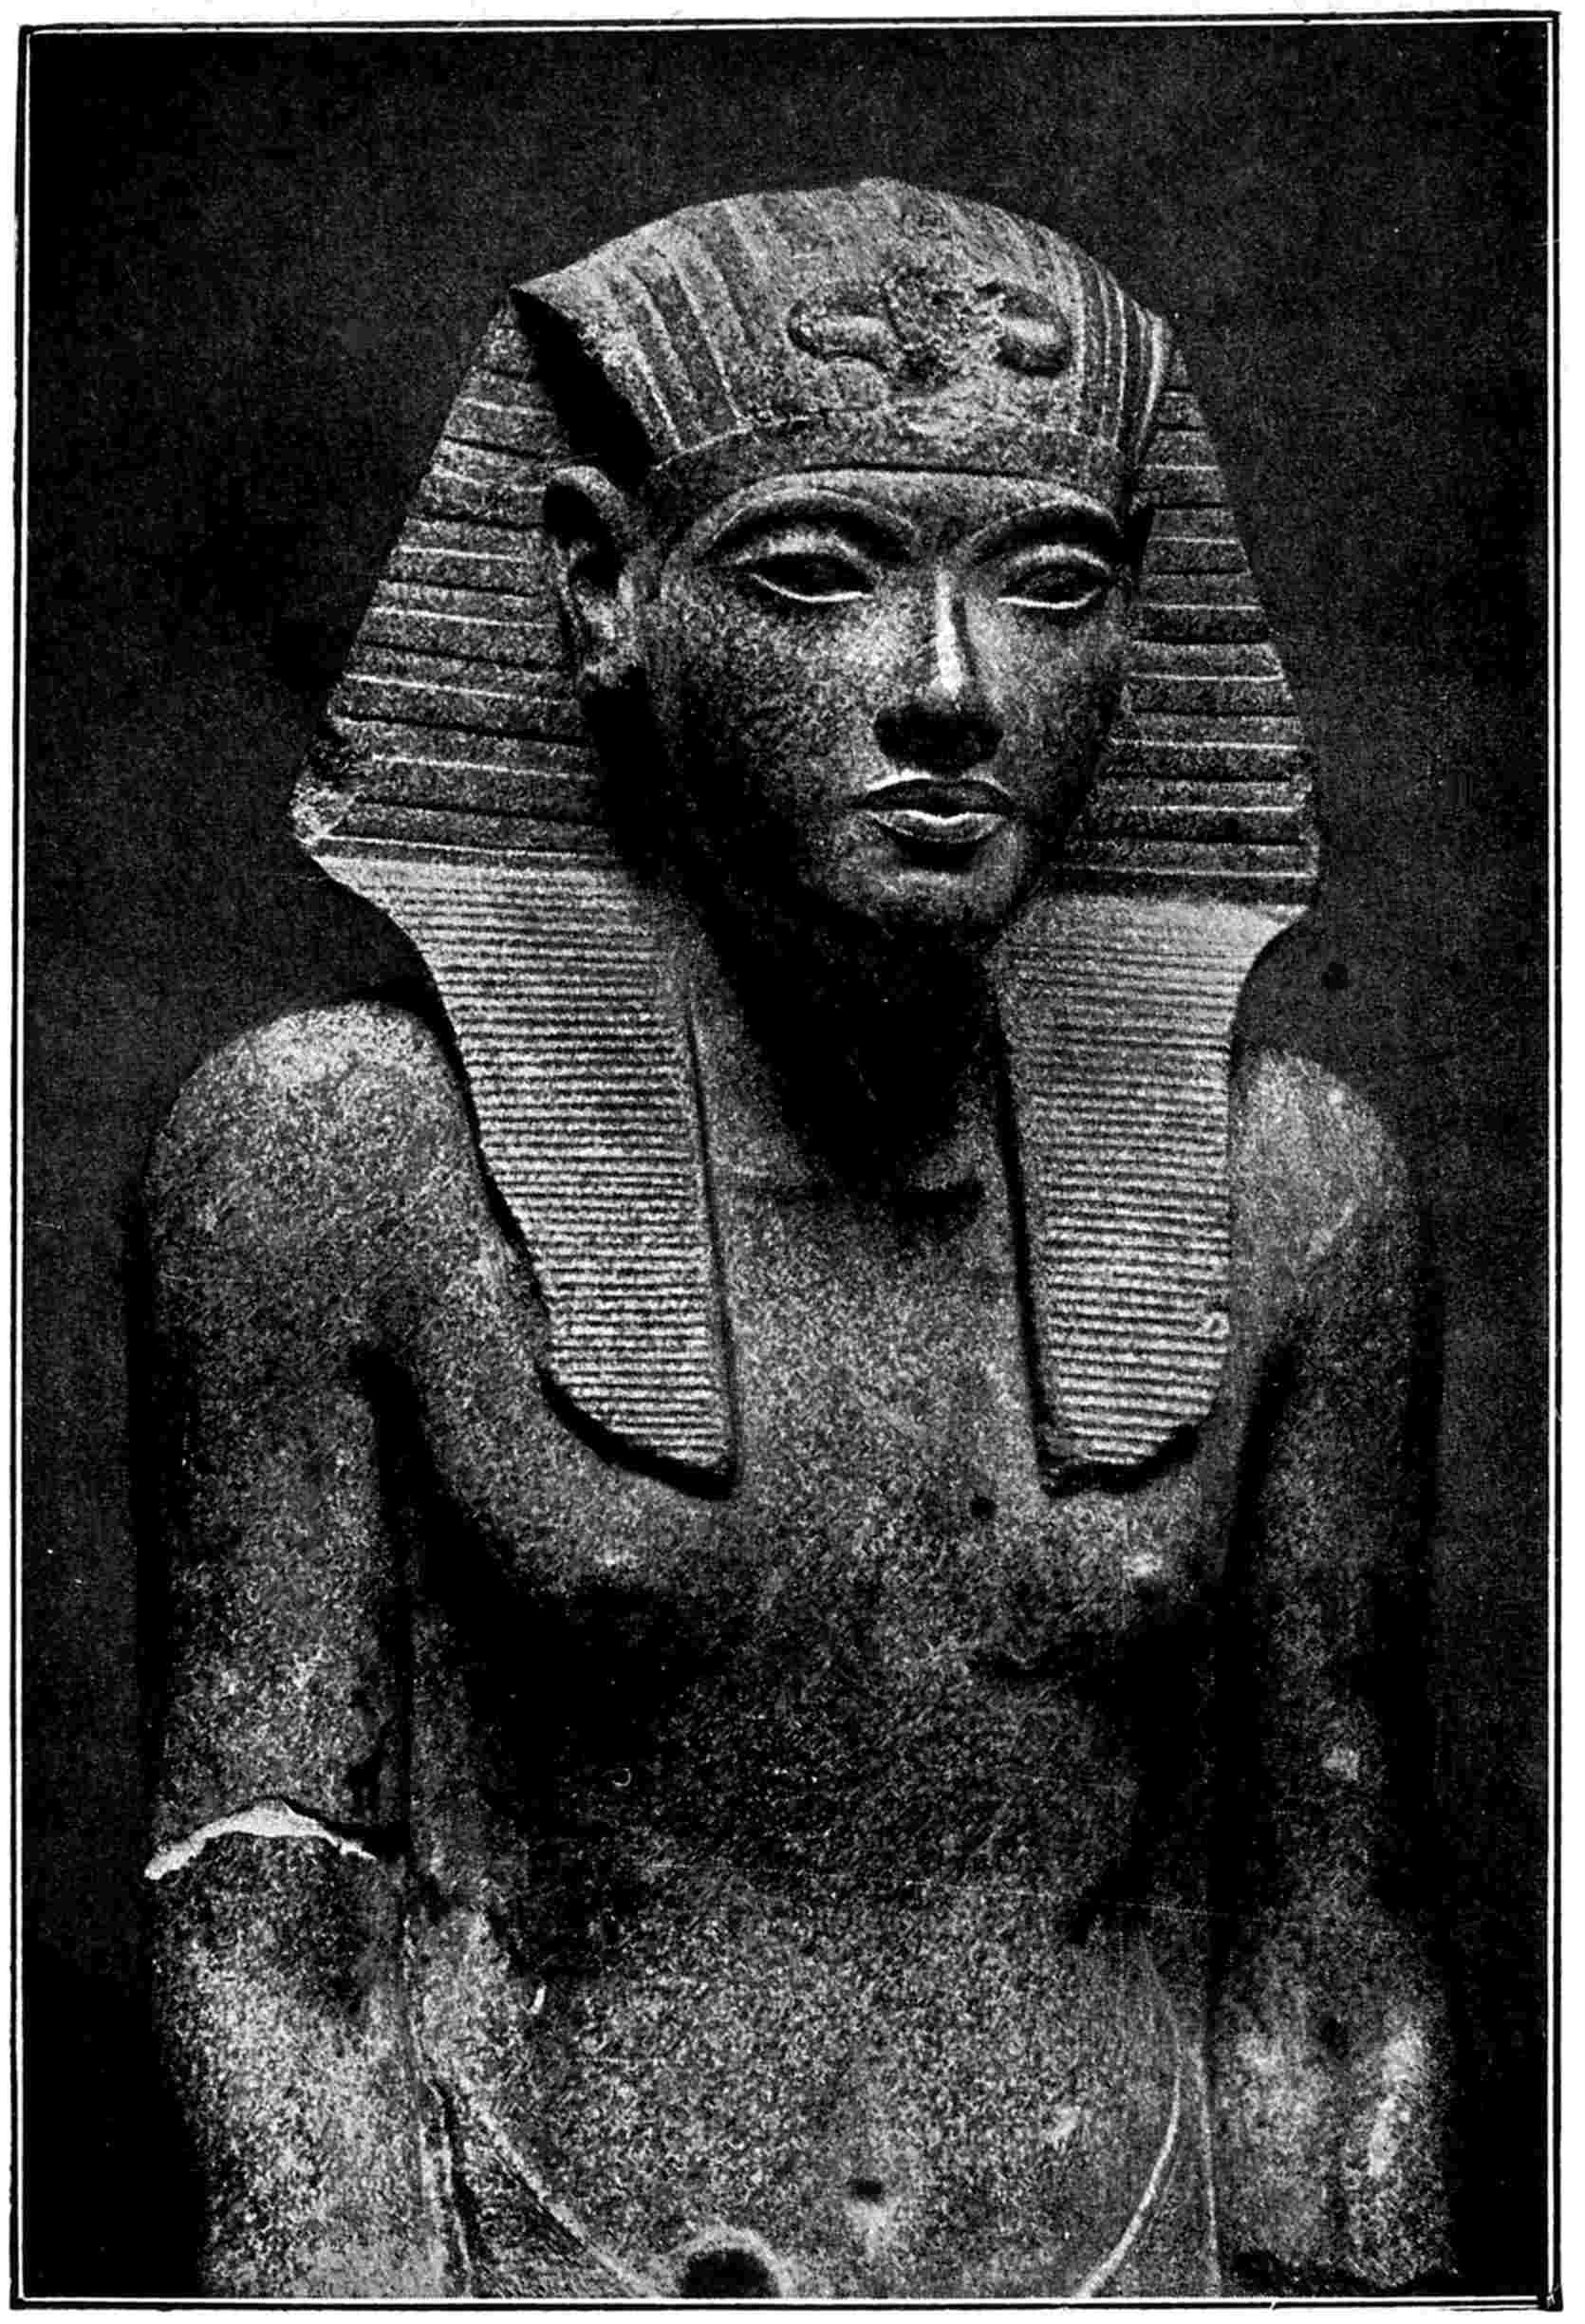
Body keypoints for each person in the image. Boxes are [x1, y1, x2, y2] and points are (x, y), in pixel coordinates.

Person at [144, 180, 1451, 2298]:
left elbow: (1330, 1981)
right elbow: (275, 1940)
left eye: (1049, 585)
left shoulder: (1297, 1188)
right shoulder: (337, 1157)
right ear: (603, 587)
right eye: (818, 573)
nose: (946, 686)